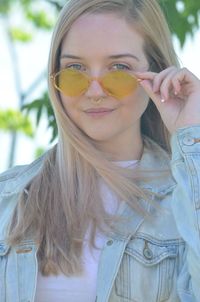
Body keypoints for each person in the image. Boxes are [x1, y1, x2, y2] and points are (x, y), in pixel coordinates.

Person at [0, 0, 200, 301]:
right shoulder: (8, 200)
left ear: (157, 73)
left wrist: (192, 133)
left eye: (119, 68)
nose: (94, 91)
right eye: (75, 69)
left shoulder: (185, 193)